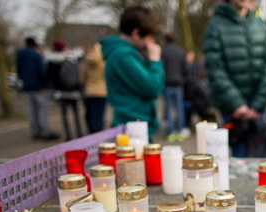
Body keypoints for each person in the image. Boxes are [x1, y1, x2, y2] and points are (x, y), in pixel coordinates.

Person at [204, 0, 266, 157]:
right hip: (233, 110)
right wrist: (237, 104)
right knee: (240, 158)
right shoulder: (216, 25)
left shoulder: (260, 24)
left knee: (262, 157)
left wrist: (258, 104)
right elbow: (215, 68)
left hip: (258, 108)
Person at [100, 5, 164, 140]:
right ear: (136, 33)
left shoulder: (126, 54)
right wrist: (155, 60)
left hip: (135, 125)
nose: (151, 42)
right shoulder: (122, 56)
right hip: (132, 129)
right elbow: (152, 88)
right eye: (150, 37)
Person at [16, 37, 59, 140]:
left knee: (31, 111)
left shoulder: (20, 55)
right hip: (39, 87)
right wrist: (47, 83)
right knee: (41, 111)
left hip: (27, 87)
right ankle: (45, 132)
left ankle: (35, 131)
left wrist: (23, 81)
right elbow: (41, 71)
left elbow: (19, 70)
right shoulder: (36, 55)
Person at [46, 40, 83, 141]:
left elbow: (49, 78)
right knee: (76, 114)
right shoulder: (71, 59)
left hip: (61, 92)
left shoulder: (51, 61)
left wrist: (54, 89)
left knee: (64, 115)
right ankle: (79, 133)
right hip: (74, 91)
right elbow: (78, 74)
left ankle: (69, 136)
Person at [161, 32, 188, 142]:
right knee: (179, 107)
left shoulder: (163, 52)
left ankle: (171, 132)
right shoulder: (181, 51)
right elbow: (185, 68)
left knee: (168, 108)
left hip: (167, 83)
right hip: (178, 83)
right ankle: (180, 130)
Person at [79, 42, 107, 134]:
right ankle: (99, 134)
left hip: (90, 91)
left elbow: (82, 78)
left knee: (91, 115)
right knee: (100, 116)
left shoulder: (86, 63)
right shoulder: (103, 63)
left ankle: (92, 134)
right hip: (101, 92)